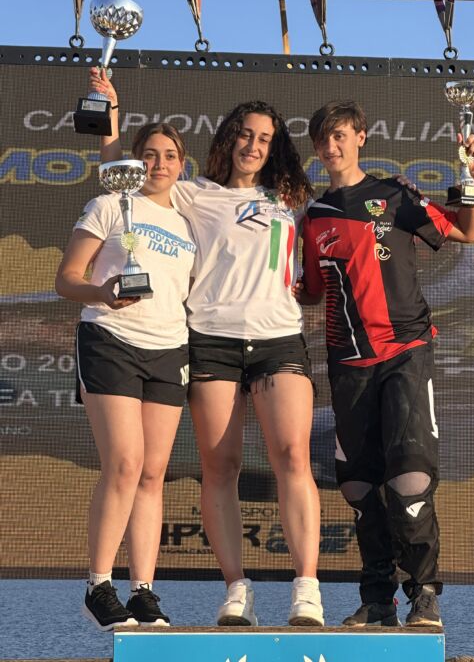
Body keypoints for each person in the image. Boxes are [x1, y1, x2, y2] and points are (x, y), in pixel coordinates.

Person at [92, 68, 324, 627]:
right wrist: (110, 119)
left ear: (275, 149)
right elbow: (121, 181)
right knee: (220, 466)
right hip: (211, 341)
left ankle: (307, 589)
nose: (253, 146)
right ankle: (236, 589)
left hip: (278, 339)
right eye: (245, 134)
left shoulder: (291, 198)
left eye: (264, 139)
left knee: (293, 457)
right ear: (229, 138)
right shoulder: (193, 193)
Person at [299, 100, 474, 628]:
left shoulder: (396, 194)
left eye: (339, 135)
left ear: (361, 136)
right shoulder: (314, 215)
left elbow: (466, 232)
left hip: (405, 351)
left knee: (409, 482)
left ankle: (423, 595)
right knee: (359, 488)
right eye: (322, 139)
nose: (331, 147)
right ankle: (378, 599)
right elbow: (310, 291)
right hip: (347, 362)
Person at [56, 104, 196, 630]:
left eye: (170, 156)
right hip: (110, 339)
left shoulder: (188, 220)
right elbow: (67, 278)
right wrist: (102, 292)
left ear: (182, 164)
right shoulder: (110, 205)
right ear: (134, 163)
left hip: (170, 347)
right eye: (150, 155)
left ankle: (143, 591)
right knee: (124, 463)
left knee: (153, 473)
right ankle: (98, 585)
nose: (160, 164)